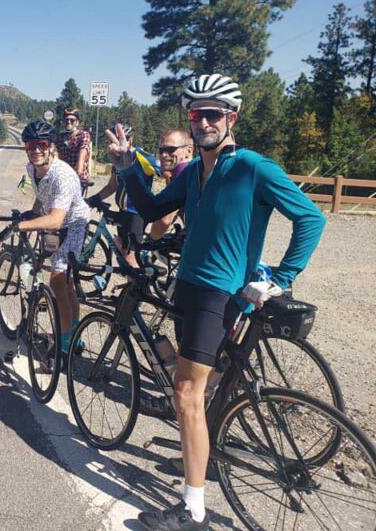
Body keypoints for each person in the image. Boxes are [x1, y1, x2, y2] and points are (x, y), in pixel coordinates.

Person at [115, 74, 326, 531]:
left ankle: (192, 510)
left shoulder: (253, 167)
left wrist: (279, 277)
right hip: (189, 287)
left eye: (213, 113)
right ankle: (203, 460)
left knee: (185, 393)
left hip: (220, 294)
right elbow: (151, 210)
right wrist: (127, 168)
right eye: (196, 114)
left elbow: (311, 218)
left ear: (232, 117)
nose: (204, 122)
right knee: (203, 389)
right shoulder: (193, 171)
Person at [13, 120, 91, 354]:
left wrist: (23, 226)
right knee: (65, 284)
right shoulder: (31, 168)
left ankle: (65, 345)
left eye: (42, 144)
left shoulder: (63, 175)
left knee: (58, 280)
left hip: (74, 223)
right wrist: (34, 212)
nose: (36, 149)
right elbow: (41, 193)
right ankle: (73, 335)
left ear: (51, 147)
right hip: (55, 220)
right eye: (30, 144)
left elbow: (56, 219)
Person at [85, 124, 160, 267]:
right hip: (123, 212)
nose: (117, 143)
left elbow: (167, 172)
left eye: (122, 138)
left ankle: (140, 288)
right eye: (113, 140)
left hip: (137, 214)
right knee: (123, 252)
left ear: (131, 138)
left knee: (130, 258)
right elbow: (111, 186)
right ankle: (132, 285)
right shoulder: (117, 158)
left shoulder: (142, 158)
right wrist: (93, 200)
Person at [147, 129, 193, 240]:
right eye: (161, 150)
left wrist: (150, 240)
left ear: (188, 151)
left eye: (171, 149)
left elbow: (164, 220)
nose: (163, 155)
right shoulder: (194, 168)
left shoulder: (182, 172)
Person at [55, 108, 92, 192]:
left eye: (72, 120)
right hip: (64, 176)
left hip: (78, 177)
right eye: (66, 120)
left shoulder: (83, 135)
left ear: (77, 122)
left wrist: (78, 173)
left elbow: (82, 156)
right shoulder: (60, 137)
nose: (69, 122)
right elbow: (60, 158)